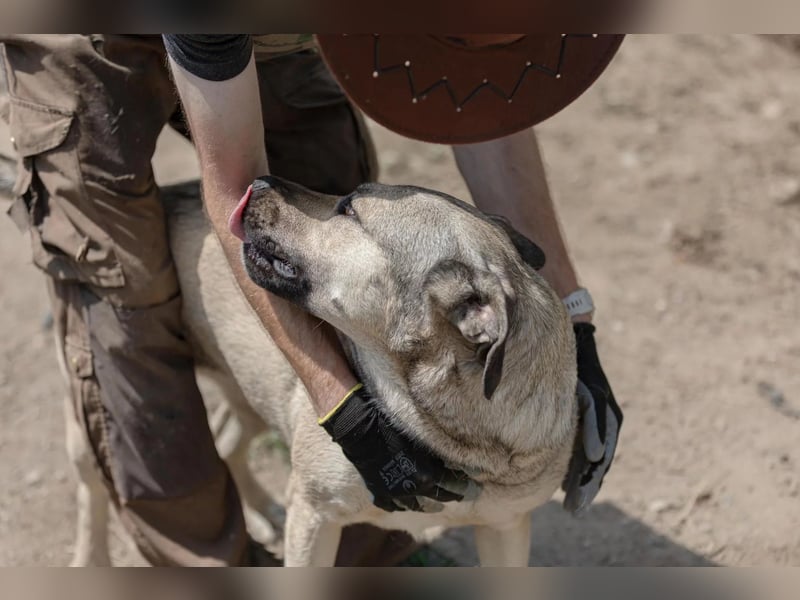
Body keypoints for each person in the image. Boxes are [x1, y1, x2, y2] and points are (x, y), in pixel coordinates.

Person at [0, 33, 621, 566]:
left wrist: (574, 318)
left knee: (328, 178)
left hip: (274, 36)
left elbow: (486, 111)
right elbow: (244, 205)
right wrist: (340, 406)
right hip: (91, 39)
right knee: (126, 307)